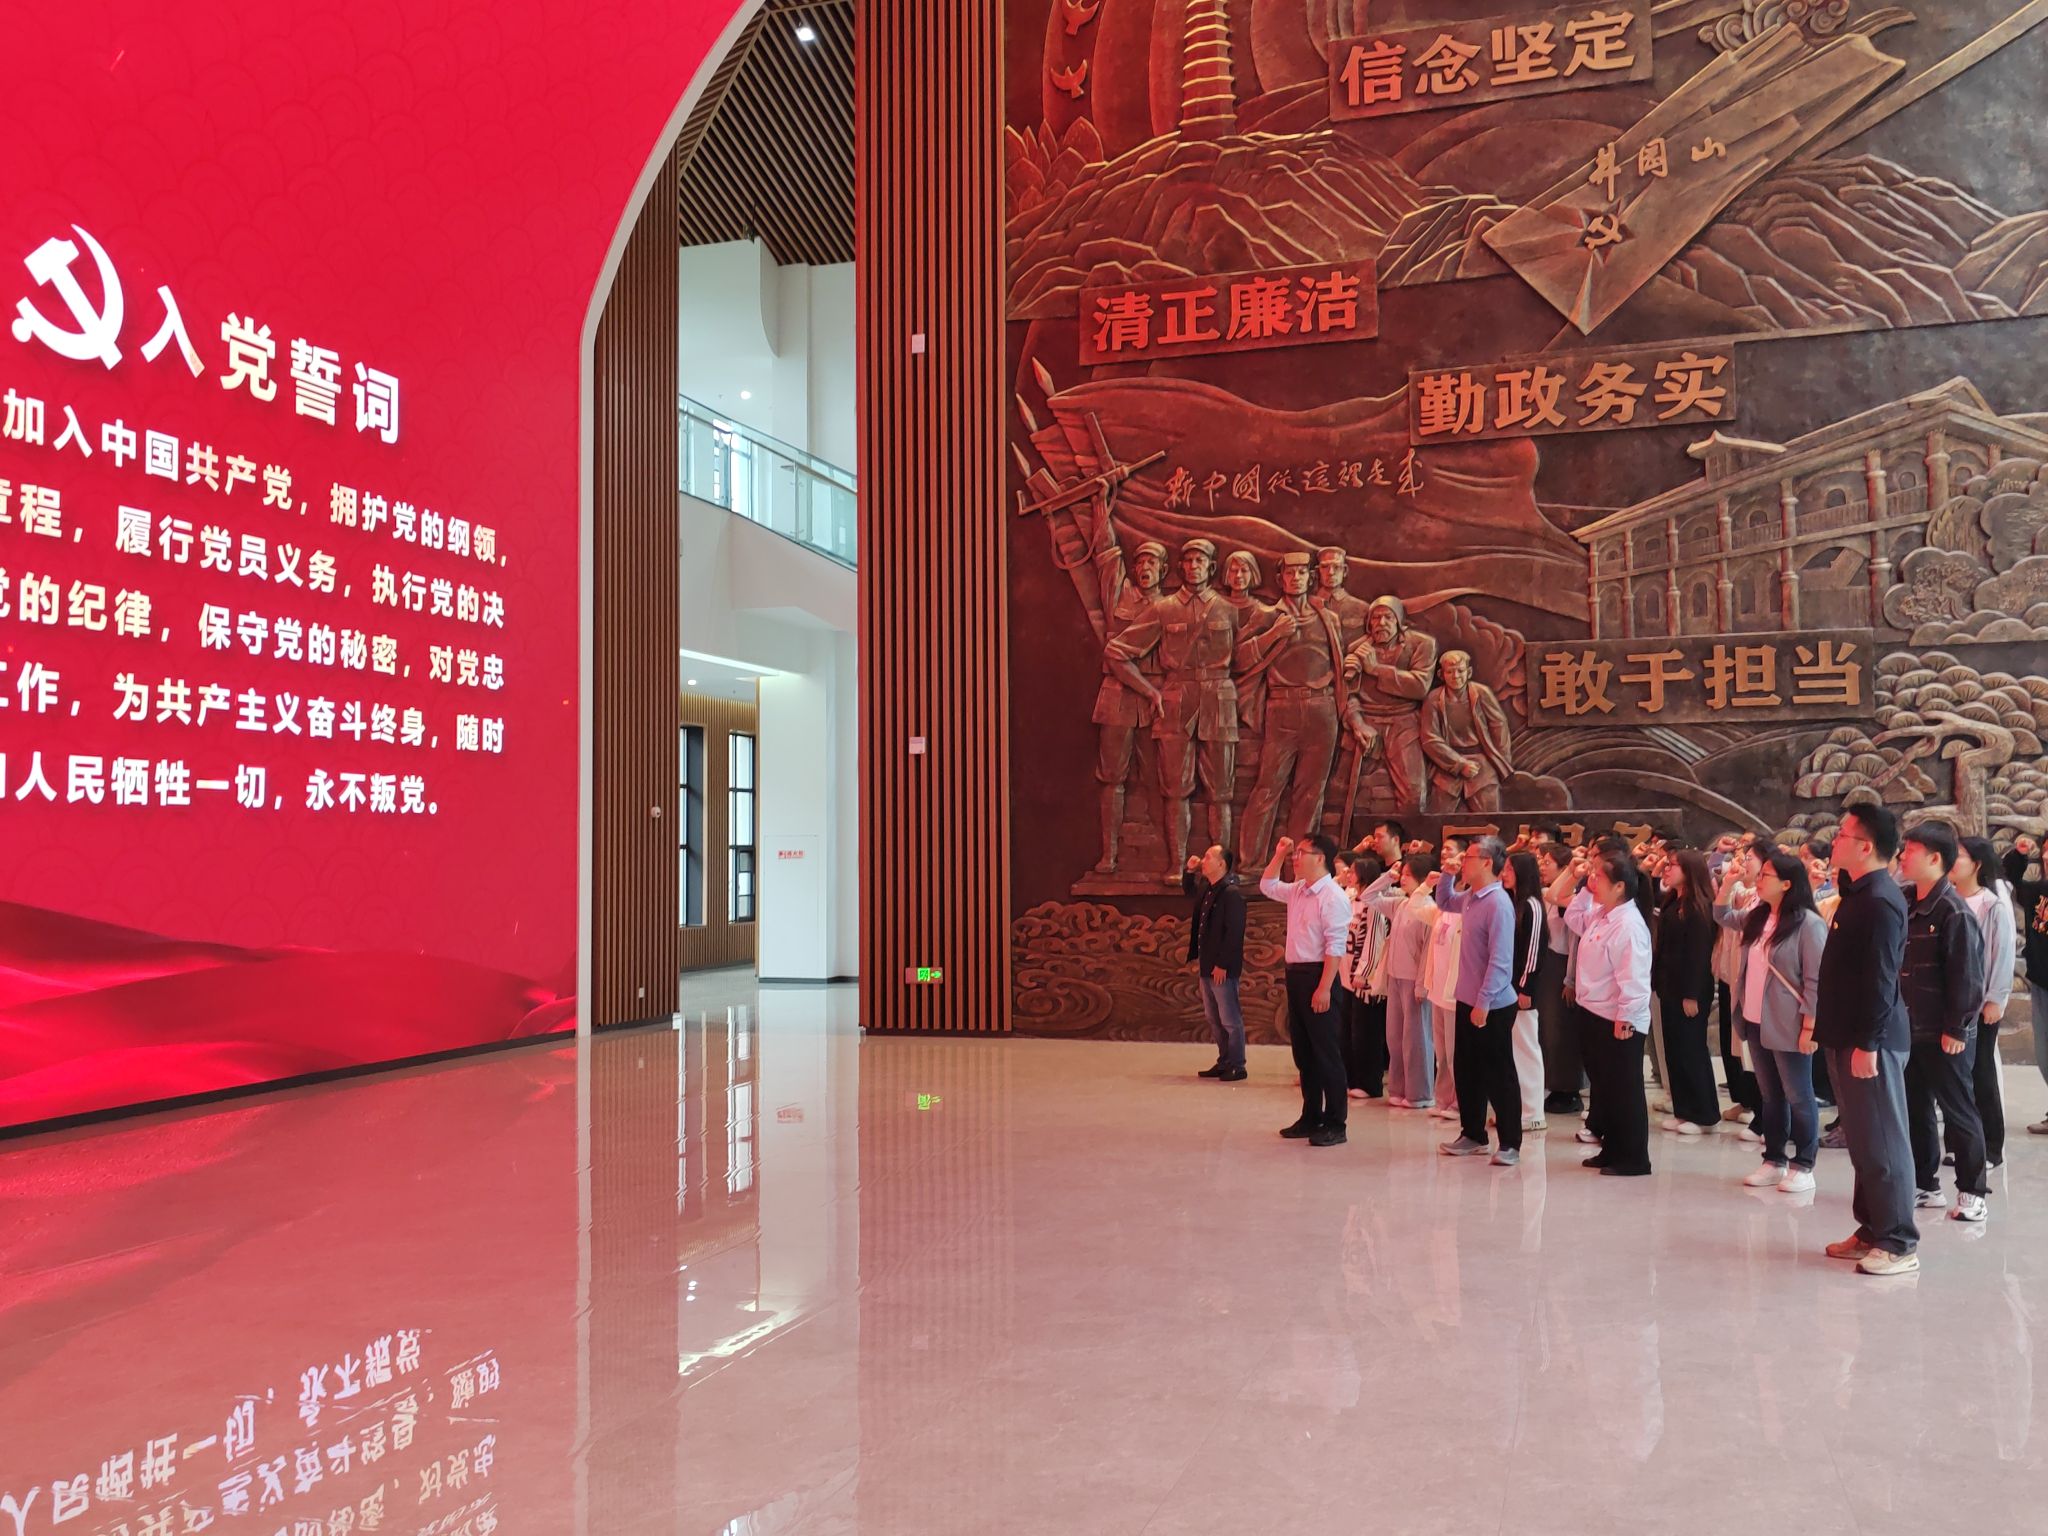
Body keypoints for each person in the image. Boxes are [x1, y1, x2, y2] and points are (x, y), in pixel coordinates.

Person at [1816, 804, 1920, 1275]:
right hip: (1848, 1034)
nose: (1834, 840)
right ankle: (1872, 1229)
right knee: (1863, 1142)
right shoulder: (1858, 893)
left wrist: (1869, 1043)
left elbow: (1881, 979)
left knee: (1884, 1142)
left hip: (1870, 1040)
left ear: (1865, 846)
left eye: (1843, 834)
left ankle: (1898, 1242)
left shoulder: (1880, 900)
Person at [1897, 822, 1989, 1223]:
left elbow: (1967, 976)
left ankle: (1972, 1191)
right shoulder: (1905, 901)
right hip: (1908, 1027)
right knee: (1915, 1107)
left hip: (1944, 1031)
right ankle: (1925, 1184)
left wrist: (1956, 1027)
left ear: (1935, 858)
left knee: (1958, 1110)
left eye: (1910, 850)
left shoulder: (1953, 911)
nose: (1902, 857)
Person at [1719, 851, 1825, 1192]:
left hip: (1789, 1022)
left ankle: (1804, 1164)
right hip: (1755, 1018)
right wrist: (1728, 883)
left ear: (1787, 884)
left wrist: (1810, 1026)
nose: (1759, 879)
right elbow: (1721, 915)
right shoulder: (1758, 915)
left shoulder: (1808, 924)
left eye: (1766, 875)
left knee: (1799, 1094)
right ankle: (1774, 1160)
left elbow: (1816, 980)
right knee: (1771, 1095)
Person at [1433, 837, 1524, 1167]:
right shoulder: (1472, 897)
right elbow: (1445, 901)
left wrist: (1483, 1002)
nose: (1462, 862)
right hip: (1467, 998)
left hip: (1493, 1003)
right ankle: (1473, 1134)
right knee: (1467, 1069)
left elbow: (1501, 961)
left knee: (1498, 1073)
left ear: (1487, 863)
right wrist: (1447, 874)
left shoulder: (1498, 903)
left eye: (1468, 857)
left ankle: (1510, 1143)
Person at [1260, 833, 1353, 1148]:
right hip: (1296, 975)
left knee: (1326, 1054)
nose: (1295, 858)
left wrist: (1324, 988)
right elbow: (1267, 885)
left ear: (1320, 858)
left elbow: (1335, 948)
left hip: (1319, 976)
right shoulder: (1299, 890)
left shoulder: (1333, 897)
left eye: (1301, 853)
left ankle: (1336, 1123)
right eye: (1295, 853)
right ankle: (1311, 1115)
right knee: (1304, 1053)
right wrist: (1279, 852)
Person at [1568, 846, 1655, 1177]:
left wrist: (1626, 1019)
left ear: (1619, 886)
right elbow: (1573, 916)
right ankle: (1612, 1149)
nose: (1593, 881)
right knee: (1605, 1088)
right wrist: (1583, 887)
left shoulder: (1629, 925)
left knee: (1624, 1090)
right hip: (1593, 1012)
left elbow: (1634, 978)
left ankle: (1633, 1157)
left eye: (1599, 877)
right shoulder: (1602, 914)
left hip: (1617, 1019)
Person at [1955, 835, 2016, 1169]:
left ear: (1976, 864)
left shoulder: (1992, 904)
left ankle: (1992, 1146)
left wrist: (1996, 998)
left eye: (1958, 856)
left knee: (1981, 1073)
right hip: (1953, 1003)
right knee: (1955, 1077)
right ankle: (1962, 1144)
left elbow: (2003, 954)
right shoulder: (1948, 900)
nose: (1951, 861)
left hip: (1981, 1004)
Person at [1654, 849, 1721, 1136]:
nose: (1667, 870)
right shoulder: (1673, 901)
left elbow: (1697, 955)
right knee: (1675, 1051)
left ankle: (1703, 1113)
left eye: (1673, 866)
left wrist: (1691, 994)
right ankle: (1683, 1110)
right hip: (1669, 986)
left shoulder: (1698, 908)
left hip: (1689, 990)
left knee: (1691, 1050)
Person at [1368, 850, 1439, 1108]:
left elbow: (1428, 951)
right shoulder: (1400, 904)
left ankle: (1420, 1093)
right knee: (1395, 1037)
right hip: (1395, 977)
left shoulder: (1428, 909)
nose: (1403, 879)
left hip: (1414, 982)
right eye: (1403, 874)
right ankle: (1398, 1089)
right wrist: (1389, 875)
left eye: (1408, 875)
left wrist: (1422, 985)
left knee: (1416, 1038)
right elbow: (1369, 896)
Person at [1183, 845, 1248, 1081]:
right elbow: (1189, 891)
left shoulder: (1231, 893)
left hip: (1222, 967)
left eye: (1208, 857)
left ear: (1221, 864)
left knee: (1230, 1018)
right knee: (1213, 1017)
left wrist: (1223, 964)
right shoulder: (1207, 888)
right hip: (1207, 964)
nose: (1204, 860)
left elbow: (1234, 932)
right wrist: (1189, 872)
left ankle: (1237, 1065)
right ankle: (1224, 1061)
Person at [1999, 836, 2048, 1135]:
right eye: (2046, 851)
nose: (2047, 857)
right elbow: (2010, 879)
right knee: (2044, 1054)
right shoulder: (2037, 892)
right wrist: (2019, 854)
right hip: (2042, 983)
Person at [1534, 841, 1583, 1116]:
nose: (1542, 867)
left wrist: (1570, 979)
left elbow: (1574, 941)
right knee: (1548, 1030)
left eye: (1547, 863)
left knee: (1562, 1031)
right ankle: (1552, 1085)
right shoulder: (1545, 896)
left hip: (1563, 967)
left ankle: (1568, 1089)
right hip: (1548, 965)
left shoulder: (1570, 901)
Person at [1423, 837, 1467, 1120]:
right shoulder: (1443, 907)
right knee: (1442, 1052)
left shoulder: (1471, 907)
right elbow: (1416, 905)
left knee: (1455, 1053)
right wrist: (1430, 884)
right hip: (1437, 988)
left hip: (1455, 992)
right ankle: (1443, 1099)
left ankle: (1460, 1102)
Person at [1505, 849, 1547, 1131]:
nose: (1504, 873)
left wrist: (1525, 987)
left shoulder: (1532, 906)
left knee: (1527, 1049)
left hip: (1523, 990)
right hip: (1507, 989)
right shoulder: (1512, 902)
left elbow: (1534, 951)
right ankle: (1515, 1109)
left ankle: (1533, 1113)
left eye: (1509, 869)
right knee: (1512, 1051)